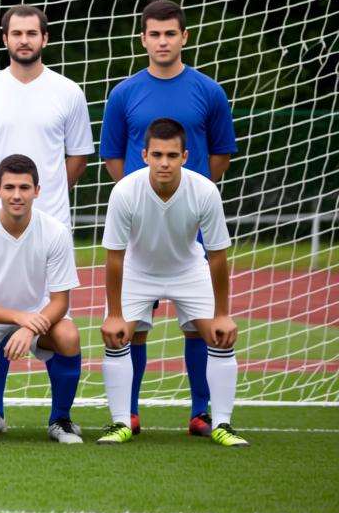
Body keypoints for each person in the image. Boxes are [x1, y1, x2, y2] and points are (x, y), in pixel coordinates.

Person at [99, 0, 237, 437]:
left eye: (170, 33)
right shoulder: (124, 93)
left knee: (201, 328)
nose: (162, 41)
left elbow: (219, 154)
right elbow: (113, 156)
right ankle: (129, 414)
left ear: (184, 37)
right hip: (140, 228)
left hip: (188, 225)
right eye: (154, 34)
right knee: (131, 329)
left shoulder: (208, 90)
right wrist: (143, 199)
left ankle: (202, 412)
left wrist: (186, 196)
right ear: (143, 39)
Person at [0, 4, 92, 435]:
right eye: (16, 33)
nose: (24, 40)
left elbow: (78, 157)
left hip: (48, 223)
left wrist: (42, 199)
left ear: (45, 39)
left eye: (32, 33)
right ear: (5, 39)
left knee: (65, 331)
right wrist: (7, 198)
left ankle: (61, 420)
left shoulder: (68, 91)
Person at [97, 118, 248, 447]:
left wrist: (223, 312)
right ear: (144, 155)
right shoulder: (124, 191)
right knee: (118, 336)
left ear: (185, 156)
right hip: (138, 270)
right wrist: (114, 313)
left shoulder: (205, 191)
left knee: (219, 336)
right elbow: (115, 257)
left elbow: (219, 256)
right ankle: (122, 421)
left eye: (171, 155)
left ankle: (220, 422)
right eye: (157, 154)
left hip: (188, 269)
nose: (164, 162)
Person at [0, 154, 84, 443]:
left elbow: (60, 301)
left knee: (68, 335)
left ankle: (61, 420)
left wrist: (29, 327)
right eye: (10, 187)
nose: (17, 195)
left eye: (24, 188)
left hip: (37, 314)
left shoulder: (55, 232)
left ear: (37, 191)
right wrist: (19, 319)